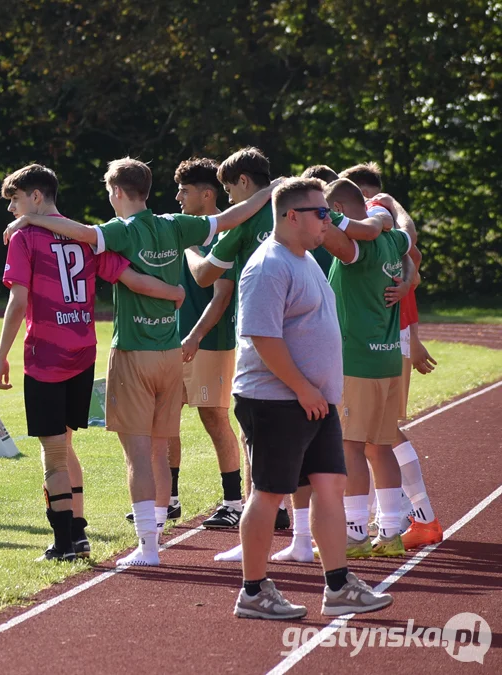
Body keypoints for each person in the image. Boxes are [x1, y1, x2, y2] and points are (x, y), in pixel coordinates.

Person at [3, 157, 273, 566]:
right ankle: (157, 540)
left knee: (137, 455)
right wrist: (272, 191)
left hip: (132, 353)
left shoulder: (118, 231)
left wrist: (29, 222)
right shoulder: (174, 224)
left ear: (116, 192)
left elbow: (79, 232)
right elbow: (234, 215)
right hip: (170, 353)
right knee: (161, 450)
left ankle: (147, 549)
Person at [0, 164, 185, 560]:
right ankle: (78, 530)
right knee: (65, 443)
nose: (11, 209)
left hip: (46, 355)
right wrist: (172, 292)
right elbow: (131, 277)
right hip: (83, 352)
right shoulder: (86, 235)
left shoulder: (25, 236)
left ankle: (64, 541)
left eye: (14, 199)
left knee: (54, 452)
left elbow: (18, 299)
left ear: (35, 197)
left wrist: (1, 352)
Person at [231, 177, 393, 619]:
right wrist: (303, 388)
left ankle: (338, 584)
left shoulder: (305, 259)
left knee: (330, 486)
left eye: (328, 212)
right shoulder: (269, 265)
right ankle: (253, 591)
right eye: (321, 213)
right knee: (267, 493)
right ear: (291, 216)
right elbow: (263, 337)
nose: (329, 220)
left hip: (313, 401)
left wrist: (316, 392)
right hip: (275, 401)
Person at [322, 179, 418, 558]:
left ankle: (356, 534)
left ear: (340, 211)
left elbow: (325, 234)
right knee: (382, 447)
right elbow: (410, 237)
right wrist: (393, 204)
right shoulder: (394, 241)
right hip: (388, 359)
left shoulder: (353, 247)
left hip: (357, 361)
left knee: (351, 447)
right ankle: (391, 532)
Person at [170, 159, 244, 530]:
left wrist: (195, 336)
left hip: (210, 341)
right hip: (174, 340)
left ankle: (233, 501)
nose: (178, 197)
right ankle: (168, 499)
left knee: (213, 416)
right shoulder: (179, 229)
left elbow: (222, 295)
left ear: (207, 194)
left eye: (185, 190)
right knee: (164, 415)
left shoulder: (223, 234)